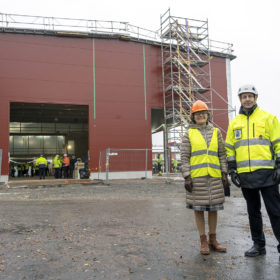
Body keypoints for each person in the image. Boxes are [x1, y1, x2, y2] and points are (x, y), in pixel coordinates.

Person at [225, 84, 280, 258]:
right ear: (240, 99)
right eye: (244, 96)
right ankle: (258, 245)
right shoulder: (234, 123)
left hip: (268, 173)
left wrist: (279, 165)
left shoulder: (269, 118)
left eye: (250, 96)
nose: (247, 99)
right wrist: (232, 170)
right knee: (253, 212)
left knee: (276, 211)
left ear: (256, 98)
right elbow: (230, 148)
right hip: (245, 175)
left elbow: (278, 143)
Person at [181, 100, 229, 255]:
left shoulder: (216, 132)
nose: (200, 115)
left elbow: (222, 154)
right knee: (199, 210)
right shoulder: (188, 133)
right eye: (197, 113)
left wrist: (224, 173)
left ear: (208, 115)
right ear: (193, 117)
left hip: (214, 177)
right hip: (196, 178)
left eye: (203, 113)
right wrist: (187, 176)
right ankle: (203, 241)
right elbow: (184, 157)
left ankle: (213, 240)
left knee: (214, 209)